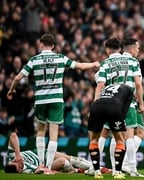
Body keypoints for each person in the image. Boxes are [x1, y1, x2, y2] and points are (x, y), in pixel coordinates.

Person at [6, 33, 100, 174]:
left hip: (41, 100)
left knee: (41, 131)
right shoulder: (60, 58)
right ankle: (48, 167)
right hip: (56, 100)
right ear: (53, 46)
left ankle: (42, 165)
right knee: (53, 134)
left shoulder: (34, 60)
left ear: (41, 44)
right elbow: (79, 66)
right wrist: (93, 64)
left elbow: (19, 77)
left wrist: (11, 89)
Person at [93, 38, 144, 179]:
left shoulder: (106, 63)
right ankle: (131, 169)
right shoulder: (132, 62)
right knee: (129, 136)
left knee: (106, 134)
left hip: (109, 102)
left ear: (107, 49)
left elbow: (99, 83)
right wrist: (141, 102)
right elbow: (138, 84)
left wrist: (96, 103)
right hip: (128, 103)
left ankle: (97, 167)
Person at [4, 132, 93, 174]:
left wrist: (18, 154)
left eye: (15, 162)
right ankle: (77, 171)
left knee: (74, 160)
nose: (19, 162)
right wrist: (43, 170)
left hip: (39, 154)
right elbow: (48, 172)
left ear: (11, 161)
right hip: (46, 164)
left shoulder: (11, 156)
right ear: (19, 171)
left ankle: (98, 168)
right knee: (64, 162)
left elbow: (13, 135)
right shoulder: (27, 171)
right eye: (19, 166)